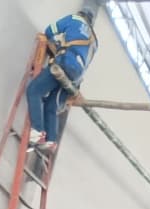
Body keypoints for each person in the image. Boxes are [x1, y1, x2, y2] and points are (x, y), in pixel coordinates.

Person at [26, 7, 99, 156]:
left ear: (81, 14)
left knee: (34, 91)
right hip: (76, 76)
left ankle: (37, 131)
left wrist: (57, 45)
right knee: (51, 105)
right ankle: (51, 140)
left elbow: (49, 30)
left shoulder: (74, 19)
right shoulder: (94, 41)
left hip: (65, 63)